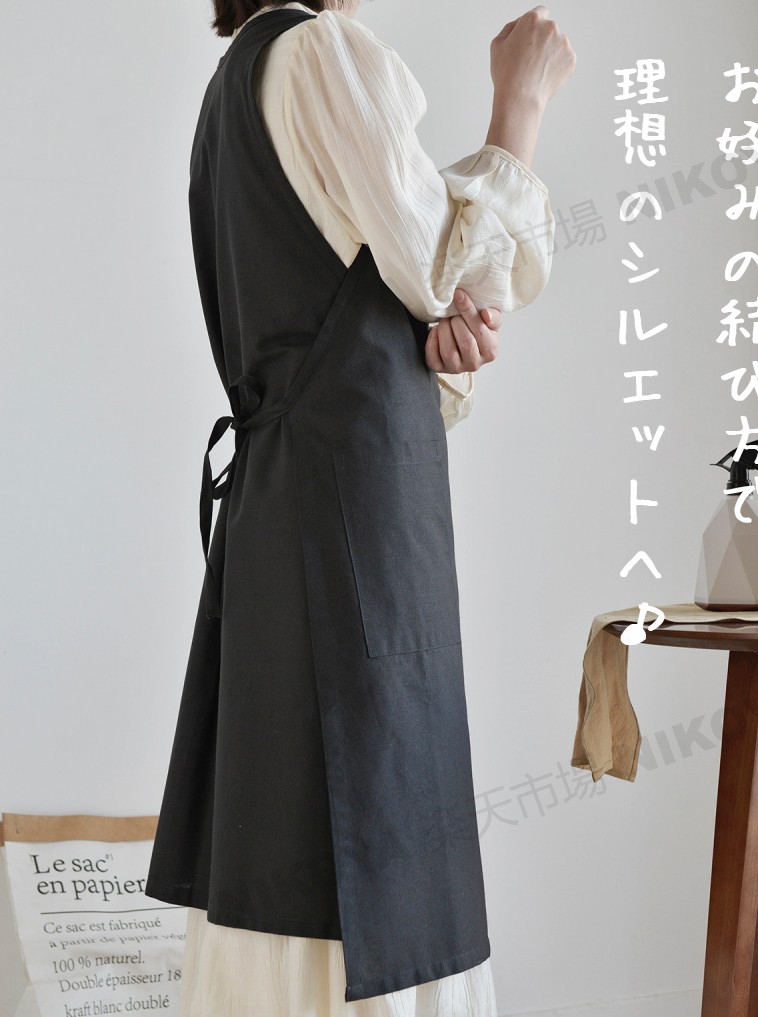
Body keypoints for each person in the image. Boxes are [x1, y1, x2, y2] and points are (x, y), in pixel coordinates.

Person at [144, 2, 575, 1014]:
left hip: (287, 501)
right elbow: (450, 267)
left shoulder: (234, 85)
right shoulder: (323, 49)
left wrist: (437, 331)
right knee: (380, 800)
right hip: (356, 511)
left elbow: (396, 291)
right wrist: (519, 105)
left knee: (282, 818)